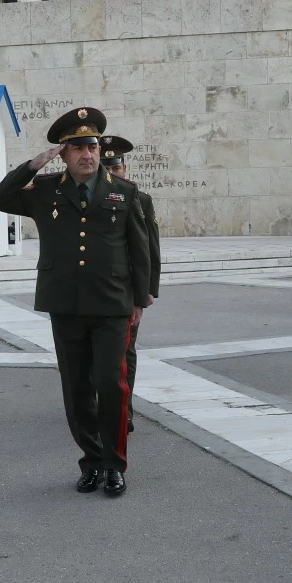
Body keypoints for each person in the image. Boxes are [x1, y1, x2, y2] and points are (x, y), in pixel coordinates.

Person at [0, 107, 153, 497]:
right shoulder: (46, 190)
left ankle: (115, 464)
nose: (88, 154)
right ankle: (92, 460)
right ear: (63, 153)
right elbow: (1, 198)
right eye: (78, 147)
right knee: (77, 387)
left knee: (111, 385)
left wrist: (141, 297)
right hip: (65, 302)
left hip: (112, 303)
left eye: (92, 146)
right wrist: (32, 165)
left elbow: (139, 247)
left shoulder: (123, 191)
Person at [102, 135, 162, 433]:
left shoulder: (141, 199)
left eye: (117, 169)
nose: (114, 174)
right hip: (101, 286)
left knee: (126, 351)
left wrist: (149, 289)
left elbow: (150, 248)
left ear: (124, 169)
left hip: (129, 289)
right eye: (108, 169)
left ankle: (124, 409)